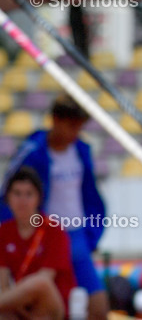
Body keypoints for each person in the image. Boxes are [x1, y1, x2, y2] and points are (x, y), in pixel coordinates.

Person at [0, 94, 108, 320]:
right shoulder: (33, 151)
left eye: (79, 127)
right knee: (39, 299)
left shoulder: (81, 150)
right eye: (71, 126)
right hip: (43, 235)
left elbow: (90, 195)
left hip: (76, 235)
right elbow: (11, 190)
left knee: (98, 306)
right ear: (56, 120)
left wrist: (92, 235)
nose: (75, 133)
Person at [0, 167, 75, 320]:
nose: (23, 200)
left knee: (40, 283)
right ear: (8, 198)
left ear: (38, 198)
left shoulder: (54, 230)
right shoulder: (4, 232)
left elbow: (45, 281)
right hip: (18, 304)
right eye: (17, 193)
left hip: (51, 305)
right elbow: (3, 281)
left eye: (29, 194)